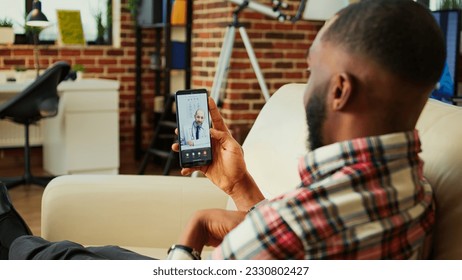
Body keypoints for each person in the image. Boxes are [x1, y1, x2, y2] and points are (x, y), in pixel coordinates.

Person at [0, 0, 445, 260]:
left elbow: (289, 236)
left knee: (42, 254)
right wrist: (241, 186)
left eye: (313, 73)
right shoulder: (416, 190)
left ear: (340, 90)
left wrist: (187, 240)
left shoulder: (280, 232)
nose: (306, 85)